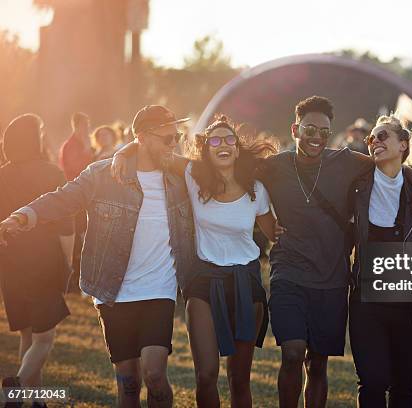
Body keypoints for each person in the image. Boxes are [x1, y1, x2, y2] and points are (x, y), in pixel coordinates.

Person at [0, 105, 195, 408]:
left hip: (159, 288)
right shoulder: (104, 174)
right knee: (128, 383)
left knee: (155, 373)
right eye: (167, 139)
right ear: (143, 138)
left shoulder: (180, 178)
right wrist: (24, 217)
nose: (174, 144)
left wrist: (127, 148)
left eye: (177, 137)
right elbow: (64, 199)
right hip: (113, 290)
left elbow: (214, 172)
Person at [255, 96, 412, 408]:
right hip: (289, 273)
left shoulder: (346, 161)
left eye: (324, 132)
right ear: (295, 129)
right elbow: (231, 168)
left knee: (317, 363)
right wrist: (267, 224)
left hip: (332, 279)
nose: (316, 137)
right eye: (309, 129)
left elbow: (390, 162)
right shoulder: (275, 167)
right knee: (293, 352)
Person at [111, 114, 284, 407]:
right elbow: (154, 147)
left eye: (230, 139)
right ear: (206, 150)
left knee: (239, 378)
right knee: (206, 375)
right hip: (203, 281)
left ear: (237, 148)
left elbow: (275, 235)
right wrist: (121, 151)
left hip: (247, 283)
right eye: (215, 140)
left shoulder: (256, 190)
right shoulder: (193, 176)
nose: (223, 144)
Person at [349, 114, 412, 408]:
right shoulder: (357, 185)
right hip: (367, 304)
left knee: (403, 389)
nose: (375, 141)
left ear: (403, 144)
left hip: (409, 305)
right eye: (372, 137)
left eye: (383, 135)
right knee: (372, 384)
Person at [0, 114, 74, 408]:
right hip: (44, 261)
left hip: (11, 263)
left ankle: (35, 400)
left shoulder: (2, 174)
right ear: (35, 138)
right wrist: (68, 262)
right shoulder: (51, 173)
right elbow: (66, 224)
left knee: (28, 336)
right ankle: (16, 391)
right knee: (44, 340)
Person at [58, 112, 92, 293]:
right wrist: (87, 152)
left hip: (84, 195)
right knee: (80, 237)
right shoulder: (72, 146)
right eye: (85, 124)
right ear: (76, 125)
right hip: (76, 196)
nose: (87, 128)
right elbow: (76, 169)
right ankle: (74, 280)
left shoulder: (80, 144)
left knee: (84, 235)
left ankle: (79, 279)